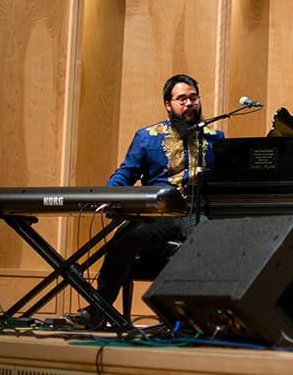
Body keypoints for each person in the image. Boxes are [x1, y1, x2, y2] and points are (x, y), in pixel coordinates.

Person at [66, 74, 224, 328]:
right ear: (168, 104)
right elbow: (126, 174)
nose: (189, 104)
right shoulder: (147, 136)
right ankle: (99, 309)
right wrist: (108, 196)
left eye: (193, 98)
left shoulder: (215, 138)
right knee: (123, 240)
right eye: (181, 99)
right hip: (157, 215)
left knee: (217, 239)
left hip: (194, 213)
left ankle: (204, 316)